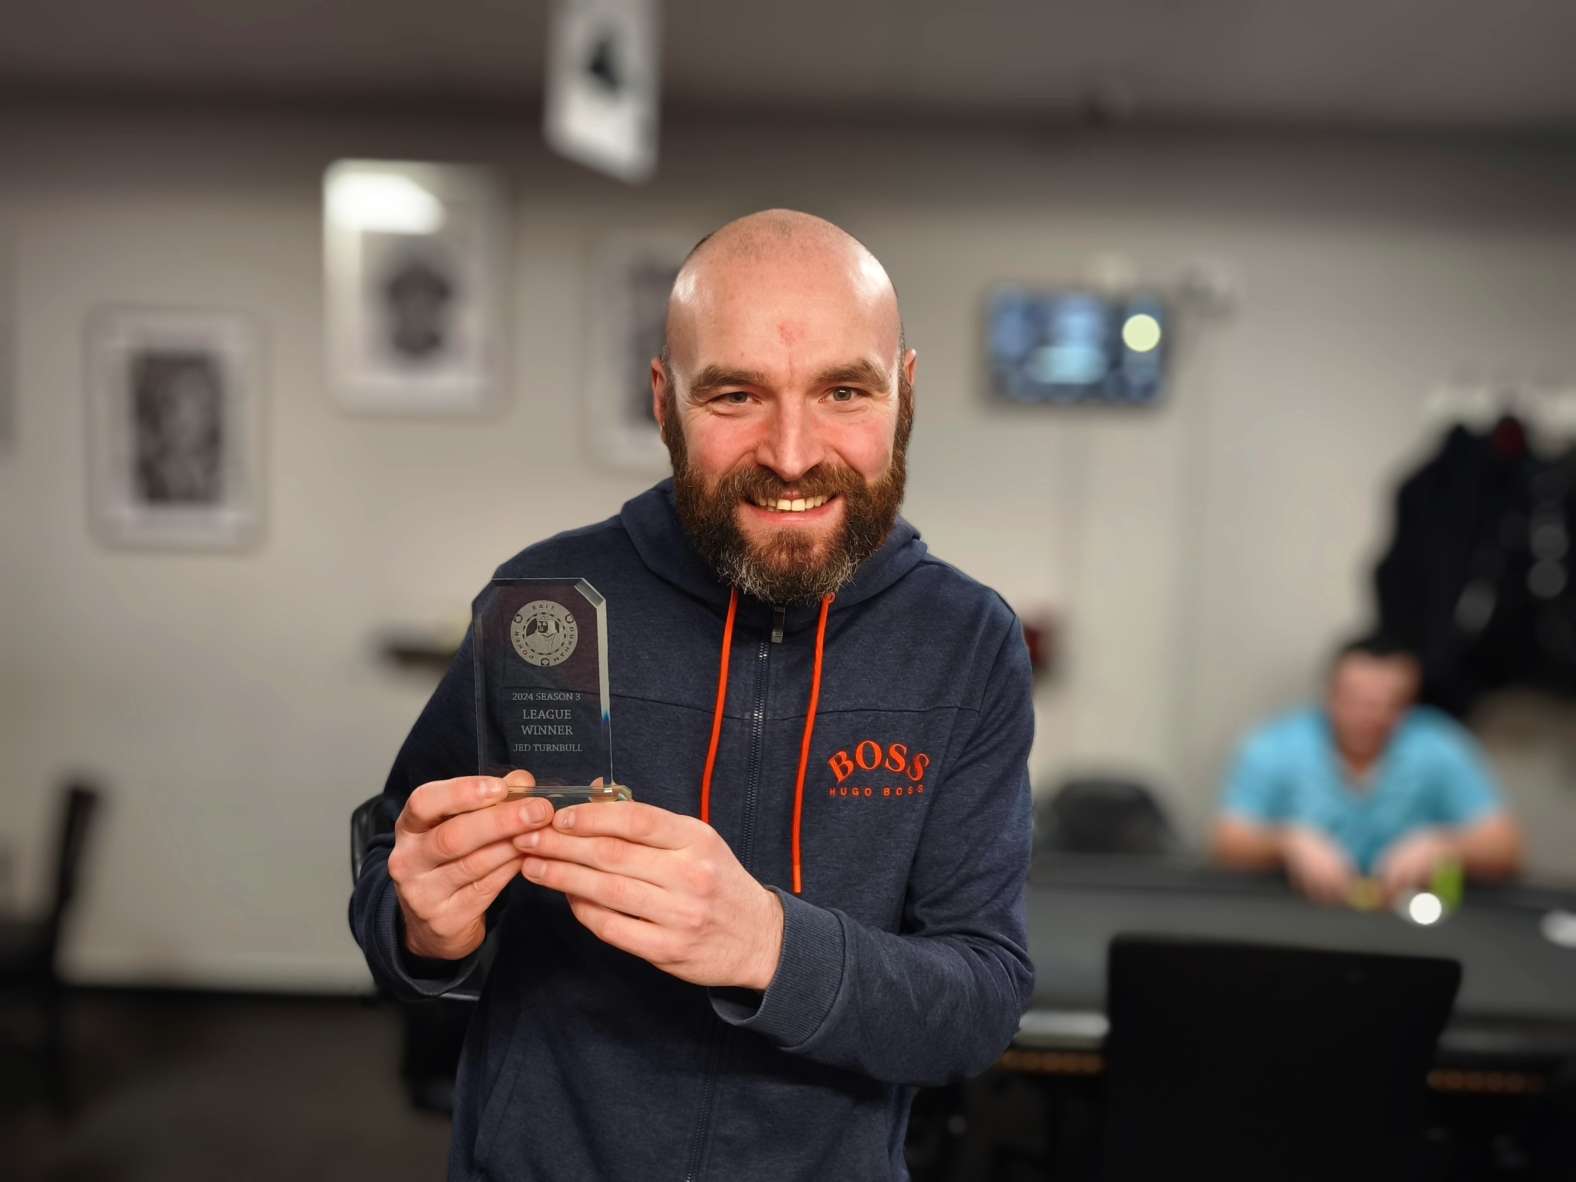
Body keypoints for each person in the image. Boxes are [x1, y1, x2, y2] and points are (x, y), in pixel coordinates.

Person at [349, 209, 1035, 1179]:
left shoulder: (965, 643)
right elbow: (391, 876)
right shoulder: (541, 602)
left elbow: (980, 1003)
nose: (791, 454)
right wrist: (421, 926)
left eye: (844, 390)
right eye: (735, 395)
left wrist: (766, 945)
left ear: (905, 394)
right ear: (664, 401)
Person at [1212, 635, 1523, 905]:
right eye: (1356, 700)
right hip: (1302, 914)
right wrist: (1287, 841)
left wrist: (1443, 843)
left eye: (1389, 703)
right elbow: (1227, 841)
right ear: (1330, 695)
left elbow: (1505, 847)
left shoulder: (1439, 745)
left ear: (1409, 705)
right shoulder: (1275, 745)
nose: (1370, 715)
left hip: (1410, 923)